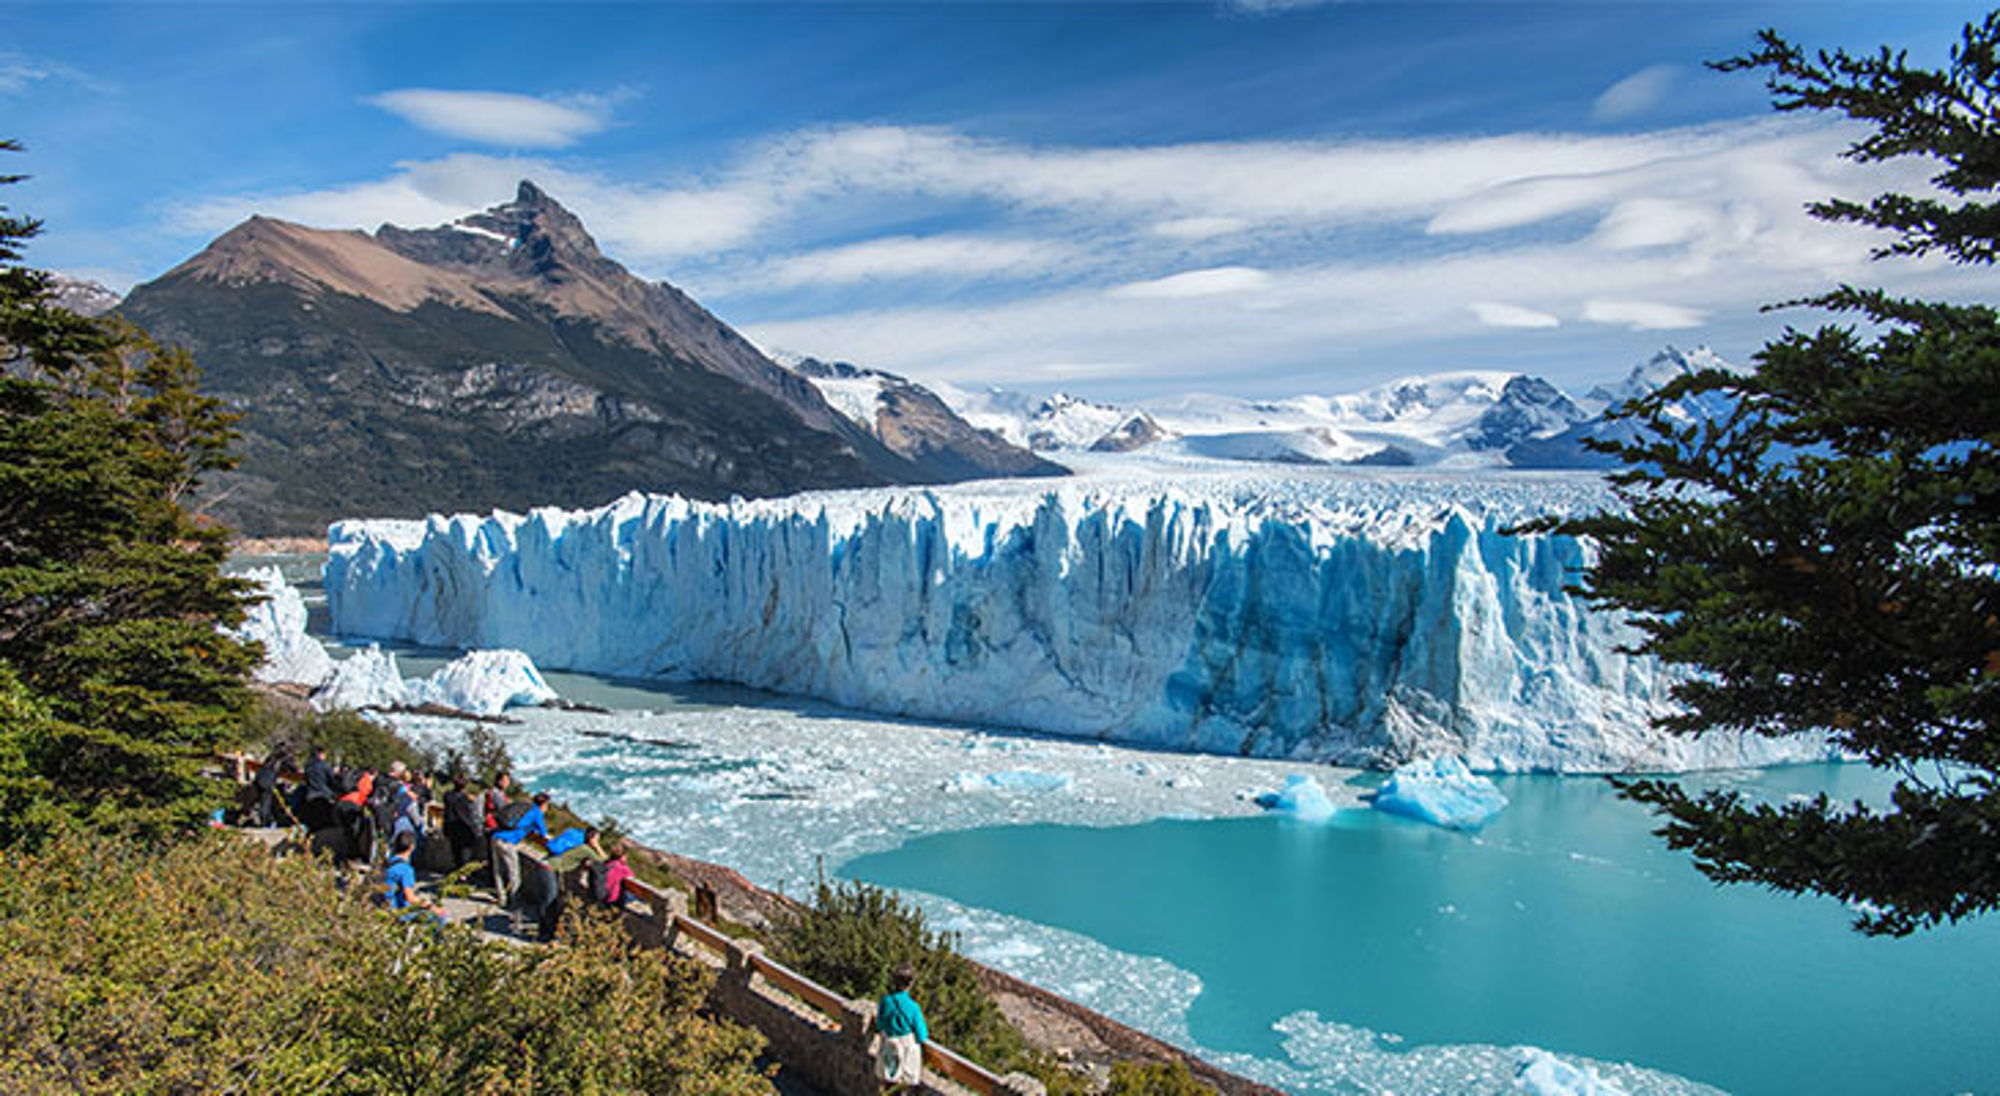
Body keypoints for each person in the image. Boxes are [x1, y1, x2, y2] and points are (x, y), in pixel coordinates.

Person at [490, 790, 549, 908]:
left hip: (496, 837)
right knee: (513, 873)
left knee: (498, 871)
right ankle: (514, 901)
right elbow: (544, 834)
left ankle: (501, 898)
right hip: (508, 842)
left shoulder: (526, 808)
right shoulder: (537, 813)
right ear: (543, 804)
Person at [876, 964, 929, 1093]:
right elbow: (922, 1035)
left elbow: (879, 1025)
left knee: (887, 1087)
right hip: (907, 1053)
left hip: (889, 1049)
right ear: (910, 983)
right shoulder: (913, 1007)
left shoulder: (886, 1001)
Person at [381, 830, 444, 926]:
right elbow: (410, 897)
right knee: (441, 918)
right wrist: (431, 906)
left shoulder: (386, 864)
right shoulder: (405, 869)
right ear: (412, 847)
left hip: (383, 907)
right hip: (399, 912)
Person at [442, 775, 482, 870]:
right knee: (465, 853)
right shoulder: (465, 799)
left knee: (455, 852)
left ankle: (458, 872)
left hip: (451, 828)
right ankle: (464, 875)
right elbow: (471, 815)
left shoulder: (447, 796)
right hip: (464, 828)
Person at [252, 743, 291, 827]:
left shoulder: (270, 758)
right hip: (268, 781)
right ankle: (266, 823)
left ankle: (266, 820)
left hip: (260, 779)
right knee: (267, 802)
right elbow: (292, 769)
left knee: (264, 801)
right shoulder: (283, 759)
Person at [301, 745, 336, 831]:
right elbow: (332, 780)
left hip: (310, 795)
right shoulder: (325, 766)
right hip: (323, 795)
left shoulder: (308, 766)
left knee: (313, 820)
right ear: (320, 754)